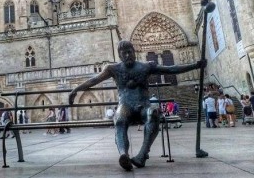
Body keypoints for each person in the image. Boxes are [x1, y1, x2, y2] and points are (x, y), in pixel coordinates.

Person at [68, 40, 206, 171]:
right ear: (119, 55)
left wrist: (195, 65)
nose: (127, 55)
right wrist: (76, 89)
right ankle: (124, 155)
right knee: (120, 119)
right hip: (125, 105)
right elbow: (94, 80)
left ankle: (142, 155)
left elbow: (170, 69)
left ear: (134, 51)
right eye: (124, 53)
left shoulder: (145, 66)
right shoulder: (112, 69)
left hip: (143, 106)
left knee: (154, 113)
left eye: (129, 52)